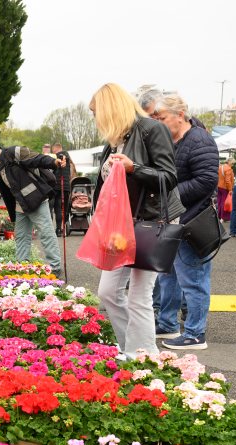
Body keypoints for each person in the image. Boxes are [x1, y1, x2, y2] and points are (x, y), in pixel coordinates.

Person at [88, 83, 185, 359]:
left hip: (149, 222)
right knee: (107, 292)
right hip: (121, 225)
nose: (96, 120)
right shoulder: (116, 140)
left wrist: (135, 168)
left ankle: (144, 355)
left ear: (109, 110)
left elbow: (169, 177)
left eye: (97, 113)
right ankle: (131, 346)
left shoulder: (151, 129)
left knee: (140, 295)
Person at [150, 94, 219, 350]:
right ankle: (168, 323)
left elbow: (206, 180)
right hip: (176, 219)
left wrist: (170, 195)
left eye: (162, 118)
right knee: (169, 276)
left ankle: (195, 334)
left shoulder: (199, 139)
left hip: (192, 221)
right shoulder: (177, 141)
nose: (159, 123)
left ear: (180, 114)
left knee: (194, 278)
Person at [0, 138, 63, 272]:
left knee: (46, 233)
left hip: (36, 200)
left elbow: (37, 158)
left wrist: (54, 162)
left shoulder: (14, 152)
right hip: (20, 205)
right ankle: (23, 267)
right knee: (21, 236)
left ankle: (55, 268)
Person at [50, 142, 74, 235]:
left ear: (55, 149)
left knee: (51, 207)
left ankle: (50, 230)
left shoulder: (60, 155)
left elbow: (61, 157)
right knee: (59, 209)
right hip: (64, 187)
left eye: (53, 150)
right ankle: (58, 229)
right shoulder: (68, 158)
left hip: (56, 186)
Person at [217, 155, 234, 223]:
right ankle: (223, 217)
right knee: (225, 203)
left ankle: (219, 216)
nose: (232, 165)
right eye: (232, 163)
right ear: (229, 162)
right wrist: (230, 189)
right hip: (225, 188)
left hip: (219, 186)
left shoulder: (221, 167)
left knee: (219, 201)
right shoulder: (228, 169)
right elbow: (227, 180)